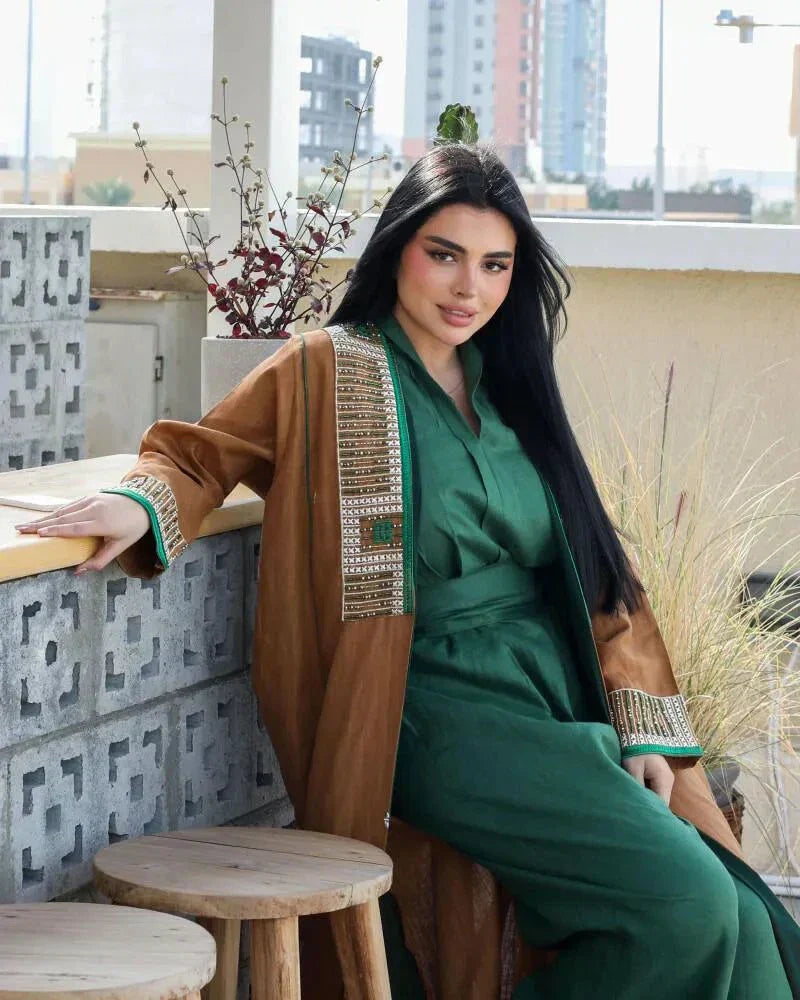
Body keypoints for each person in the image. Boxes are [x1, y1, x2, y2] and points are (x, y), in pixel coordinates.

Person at [17, 144, 799, 998]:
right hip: (424, 702)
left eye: (496, 265)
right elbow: (206, 454)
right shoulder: (330, 368)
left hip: (552, 694)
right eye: (446, 255)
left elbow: (595, 564)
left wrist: (644, 723)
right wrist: (138, 503)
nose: (470, 289)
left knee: (741, 911)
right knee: (688, 906)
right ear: (398, 249)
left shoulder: (514, 383)